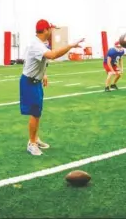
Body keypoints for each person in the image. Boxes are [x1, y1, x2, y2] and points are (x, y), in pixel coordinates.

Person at [20, 19, 84, 156]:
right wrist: (71, 45)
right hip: (29, 82)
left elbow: (42, 60)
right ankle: (31, 143)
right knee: (34, 113)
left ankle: (35, 139)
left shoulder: (41, 43)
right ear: (44, 30)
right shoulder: (36, 44)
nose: (51, 32)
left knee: (38, 112)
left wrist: (44, 74)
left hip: (35, 80)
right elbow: (52, 55)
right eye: (49, 29)